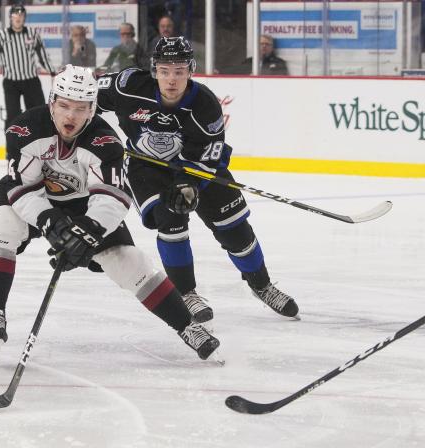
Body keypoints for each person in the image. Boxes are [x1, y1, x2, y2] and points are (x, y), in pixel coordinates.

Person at [0, 64, 219, 364]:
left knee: (129, 262)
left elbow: (112, 197)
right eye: (64, 105)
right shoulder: (24, 129)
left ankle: (188, 327)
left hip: (85, 207)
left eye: (80, 108)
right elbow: (21, 188)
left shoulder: (105, 142)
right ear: (51, 101)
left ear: (93, 109)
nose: (70, 116)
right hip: (32, 198)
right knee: (0, 226)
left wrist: (88, 231)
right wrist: (49, 221)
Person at [96, 37, 300, 325]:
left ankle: (262, 285)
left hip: (196, 168)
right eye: (165, 71)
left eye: (179, 71)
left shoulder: (205, 105)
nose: (171, 79)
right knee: (171, 218)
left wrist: (188, 182)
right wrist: (95, 141)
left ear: (190, 70)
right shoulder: (128, 85)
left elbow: (210, 155)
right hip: (146, 168)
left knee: (234, 227)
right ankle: (187, 293)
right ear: (154, 70)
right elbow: (84, 100)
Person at [0, 3, 55, 134]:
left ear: (24, 17)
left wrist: (53, 73)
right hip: (11, 82)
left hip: (31, 80)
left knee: (40, 113)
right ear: (10, 17)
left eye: (21, 15)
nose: (18, 17)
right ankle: (12, 151)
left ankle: (43, 146)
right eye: (15, 14)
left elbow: (43, 56)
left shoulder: (32, 34)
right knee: (13, 117)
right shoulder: (2, 36)